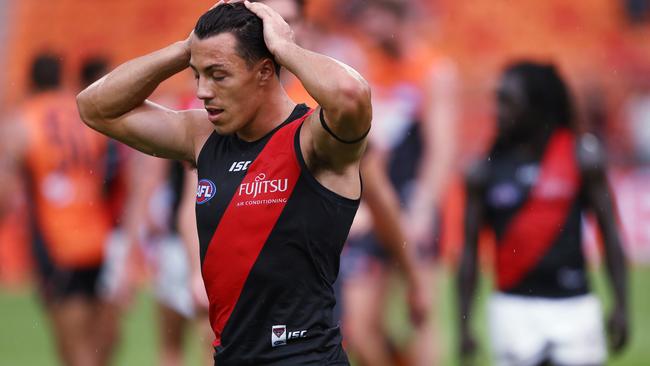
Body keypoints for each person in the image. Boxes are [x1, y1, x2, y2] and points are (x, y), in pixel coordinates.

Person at [76, 1, 371, 365]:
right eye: (198, 74)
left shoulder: (312, 140)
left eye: (218, 75)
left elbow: (352, 95)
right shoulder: (201, 137)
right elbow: (95, 107)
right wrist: (185, 49)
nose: (202, 91)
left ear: (264, 71)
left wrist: (284, 48)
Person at [457, 62, 629, 366]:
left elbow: (611, 234)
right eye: (497, 100)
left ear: (537, 107)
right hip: (512, 309)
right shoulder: (483, 169)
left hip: (575, 307)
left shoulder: (582, 157)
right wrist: (464, 323)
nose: (498, 110)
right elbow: (468, 251)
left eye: (508, 101)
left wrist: (621, 305)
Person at [336, 0, 458, 364]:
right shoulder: (368, 69)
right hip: (376, 207)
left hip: (414, 202)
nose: (367, 28)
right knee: (358, 327)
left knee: (421, 315)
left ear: (395, 15)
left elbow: (442, 150)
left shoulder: (433, 71)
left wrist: (423, 205)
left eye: (373, 17)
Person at [0, 54, 118, 366]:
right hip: (98, 235)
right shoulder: (80, 111)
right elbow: (110, 172)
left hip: (57, 243)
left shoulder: (23, 120)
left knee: (74, 347)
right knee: (95, 342)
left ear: (30, 82)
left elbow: (5, 190)